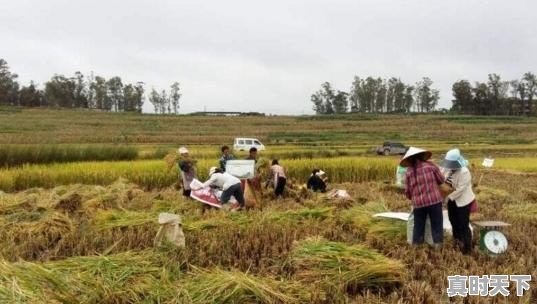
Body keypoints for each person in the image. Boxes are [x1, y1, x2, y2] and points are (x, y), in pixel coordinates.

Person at [401, 147, 445, 247]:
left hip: (418, 204)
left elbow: (407, 192)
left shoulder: (409, 171)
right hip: (434, 202)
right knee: (437, 225)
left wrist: (415, 198)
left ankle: (416, 248)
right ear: (422, 156)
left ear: (410, 159)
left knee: (418, 227)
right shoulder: (431, 166)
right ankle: (438, 247)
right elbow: (441, 180)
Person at [441, 148, 475, 255]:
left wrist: (446, 198)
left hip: (463, 202)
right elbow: (442, 176)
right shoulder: (448, 169)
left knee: (463, 224)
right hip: (452, 200)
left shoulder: (464, 172)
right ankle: (456, 242)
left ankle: (467, 248)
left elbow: (460, 190)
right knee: (453, 221)